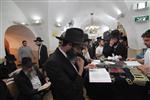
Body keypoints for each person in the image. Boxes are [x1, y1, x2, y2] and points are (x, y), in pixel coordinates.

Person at [44, 28, 85, 100]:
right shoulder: (53, 63)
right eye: (78, 48)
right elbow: (70, 91)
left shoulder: (68, 56)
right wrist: (81, 70)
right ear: (69, 44)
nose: (79, 52)